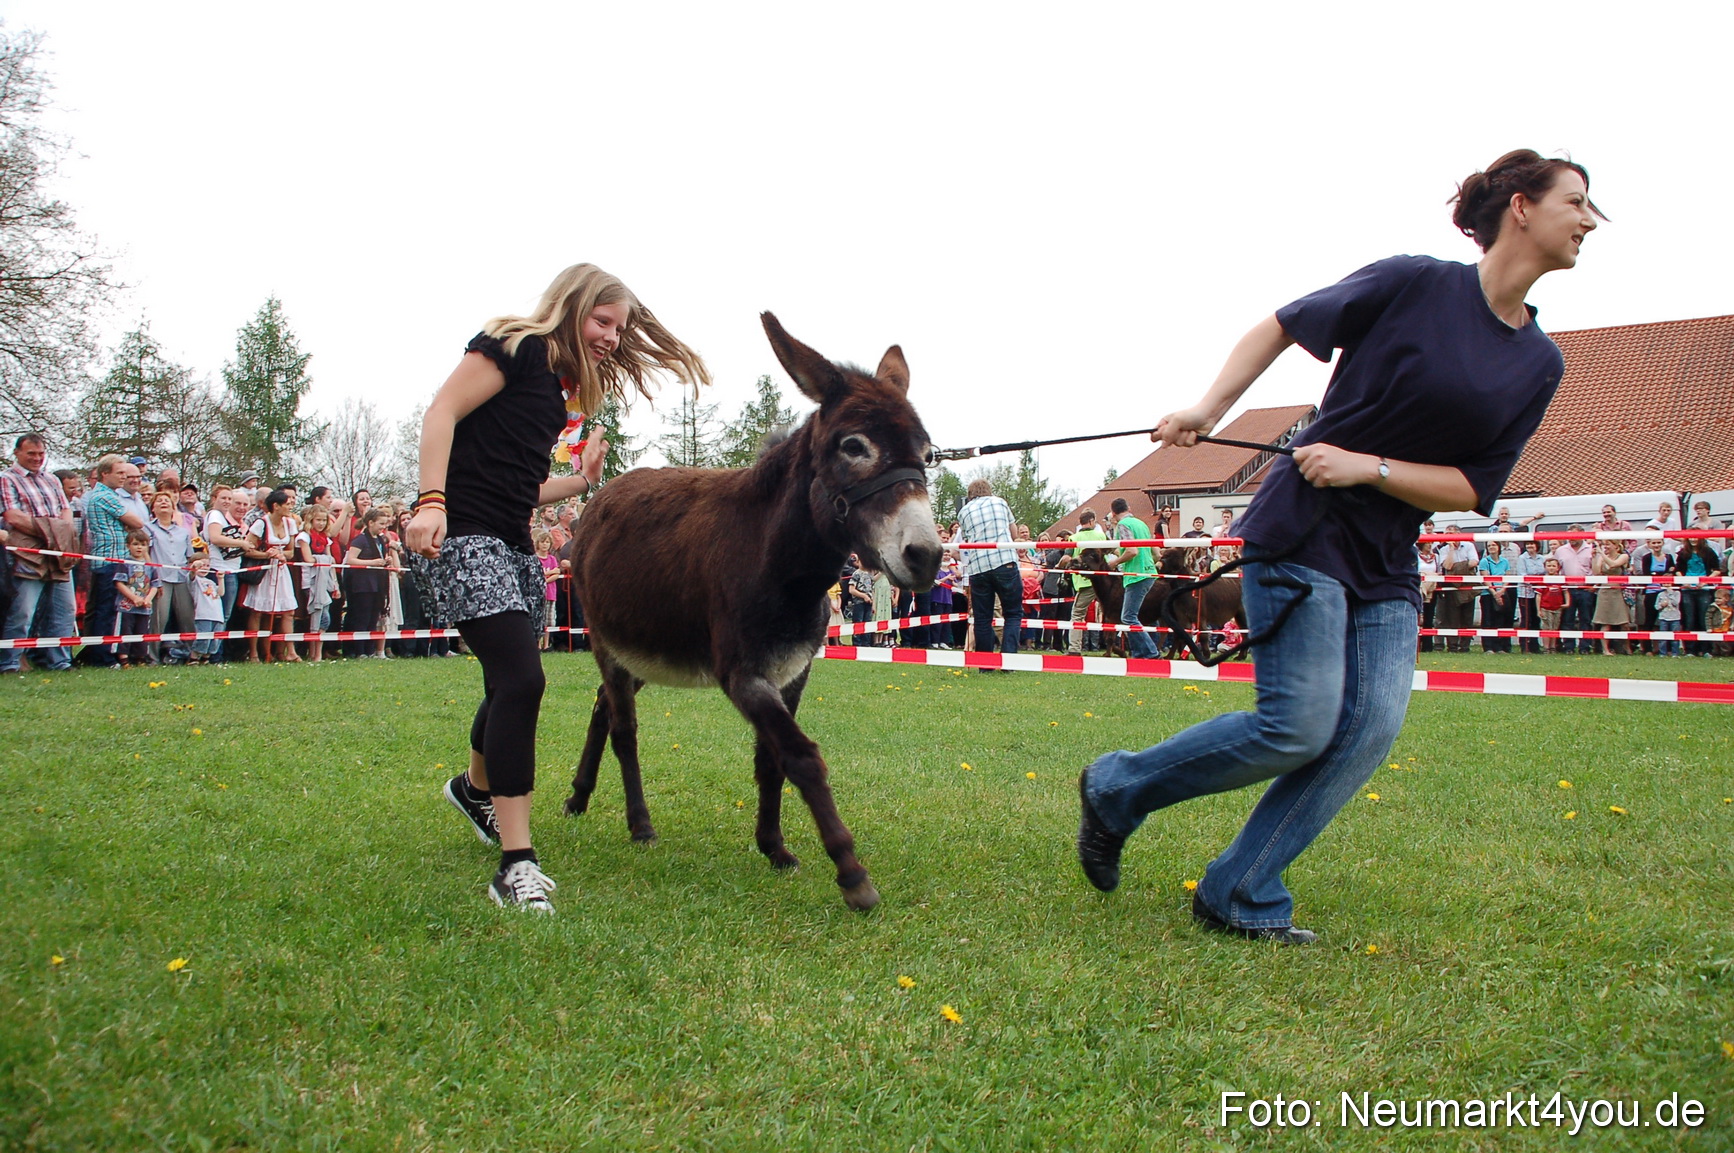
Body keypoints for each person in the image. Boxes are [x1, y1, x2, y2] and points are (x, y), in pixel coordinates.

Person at [1076, 149, 1602, 944]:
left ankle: (1239, 890)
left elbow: (1472, 485)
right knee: (1297, 724)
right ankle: (1117, 787)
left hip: (1385, 560)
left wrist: (1371, 467)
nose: (1590, 221)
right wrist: (1206, 405)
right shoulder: (1416, 283)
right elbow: (1284, 324)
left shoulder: (1540, 362)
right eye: (1578, 202)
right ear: (1522, 208)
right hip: (1302, 531)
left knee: (1370, 728)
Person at [406, 262, 703, 914]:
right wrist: (430, 499)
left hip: (513, 546)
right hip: (464, 536)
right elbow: (441, 411)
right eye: (603, 320)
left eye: (620, 328)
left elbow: (519, 486)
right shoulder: (515, 346)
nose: (611, 336)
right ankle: (516, 865)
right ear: (572, 306)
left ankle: (473, 787)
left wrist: (580, 481)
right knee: (522, 682)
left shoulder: (559, 393)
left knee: (507, 681)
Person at [1, 433, 78, 673]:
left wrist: (59, 532)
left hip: (58, 552)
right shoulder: (7, 479)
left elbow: (65, 511)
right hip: (28, 552)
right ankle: (9, 662)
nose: (37, 458)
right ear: (17, 453)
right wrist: (51, 529)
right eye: (31, 453)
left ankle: (60, 661)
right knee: (23, 610)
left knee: (65, 609)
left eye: (41, 454)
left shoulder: (52, 480)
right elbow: (13, 516)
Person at [77, 455, 146, 667]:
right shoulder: (104, 496)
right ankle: (102, 656)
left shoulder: (105, 495)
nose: (123, 478)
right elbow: (136, 522)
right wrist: (126, 523)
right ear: (104, 474)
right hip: (109, 560)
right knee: (106, 611)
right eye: (120, 473)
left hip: (108, 559)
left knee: (101, 609)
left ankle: (92, 654)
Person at [955, 478, 1021, 664]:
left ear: (970, 495)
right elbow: (1014, 534)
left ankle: (985, 663)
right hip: (1004, 561)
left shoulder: (964, 511)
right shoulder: (1000, 502)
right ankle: (1009, 661)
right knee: (1013, 614)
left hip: (978, 567)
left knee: (982, 618)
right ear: (989, 490)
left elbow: (967, 539)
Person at [241, 489, 300, 663]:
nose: (291, 507)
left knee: (289, 611)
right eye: (287, 504)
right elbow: (247, 549)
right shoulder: (261, 524)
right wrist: (268, 555)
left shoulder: (290, 524)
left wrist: (282, 555)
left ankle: (290, 651)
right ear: (276, 506)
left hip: (281, 572)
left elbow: (290, 552)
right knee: (258, 612)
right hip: (263, 571)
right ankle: (254, 654)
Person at [1106, 497, 1159, 659]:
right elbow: (1156, 553)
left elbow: (1132, 551)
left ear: (1113, 513)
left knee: (1128, 617)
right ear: (1129, 507)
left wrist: (1115, 562)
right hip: (1149, 572)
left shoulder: (1124, 525)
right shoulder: (1141, 524)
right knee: (1142, 616)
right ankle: (1139, 652)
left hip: (1135, 575)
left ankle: (1151, 652)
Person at [114, 531, 160, 667]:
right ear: (128, 546)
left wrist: (148, 599)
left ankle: (140, 658)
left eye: (143, 545)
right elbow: (119, 583)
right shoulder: (124, 563)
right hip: (126, 607)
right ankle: (124, 659)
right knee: (125, 631)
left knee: (142, 632)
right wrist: (133, 597)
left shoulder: (150, 566)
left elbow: (155, 585)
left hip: (144, 608)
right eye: (135, 544)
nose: (139, 547)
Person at [1065, 509, 1108, 656]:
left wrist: (1058, 567)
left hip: (1085, 582)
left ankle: (1074, 649)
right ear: (1091, 521)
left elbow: (1066, 558)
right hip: (1104, 580)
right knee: (1112, 613)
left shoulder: (1073, 538)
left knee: (1077, 614)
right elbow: (1112, 551)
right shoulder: (1101, 536)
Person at [188, 552, 225, 664]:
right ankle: (193, 658)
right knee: (203, 638)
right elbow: (191, 574)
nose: (204, 568)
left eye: (207, 565)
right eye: (202, 565)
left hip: (217, 615)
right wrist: (194, 566)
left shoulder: (211, 582)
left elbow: (221, 593)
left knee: (215, 640)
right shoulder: (194, 581)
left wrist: (220, 579)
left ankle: (205, 659)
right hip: (203, 615)